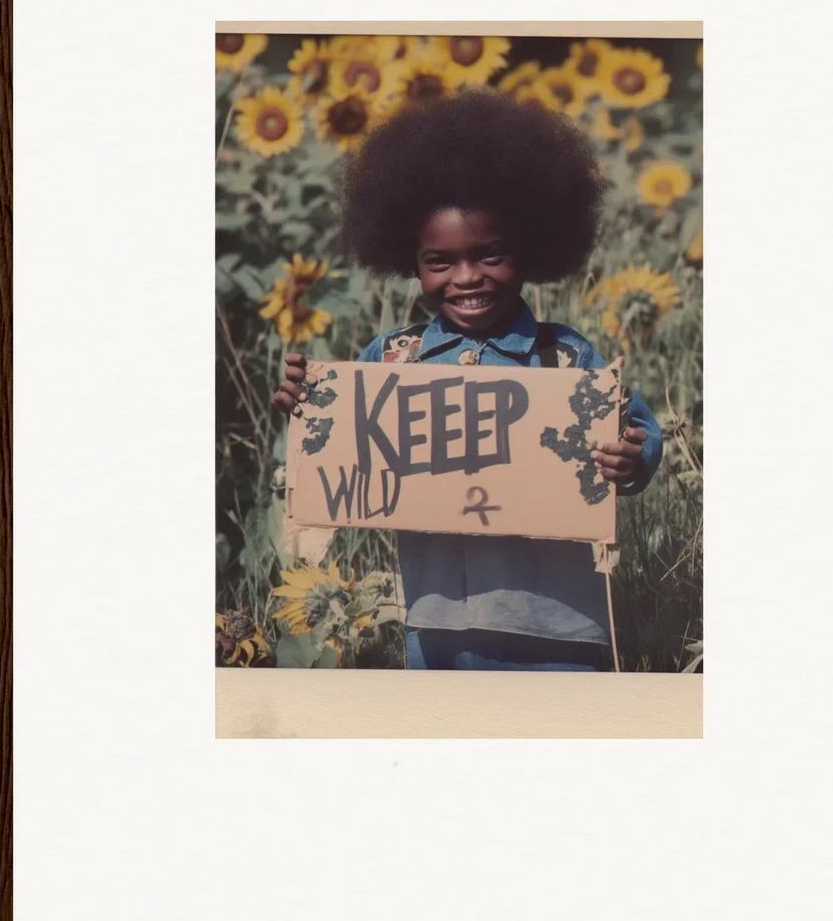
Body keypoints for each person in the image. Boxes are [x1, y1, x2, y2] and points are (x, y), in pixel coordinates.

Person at [271, 88, 663, 670]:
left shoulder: (566, 357)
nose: (467, 277)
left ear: (529, 249)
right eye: (441, 262)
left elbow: (637, 435)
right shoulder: (392, 359)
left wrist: (630, 460)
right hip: (436, 625)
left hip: (559, 627)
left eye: (490, 255)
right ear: (411, 263)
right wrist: (310, 406)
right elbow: (345, 441)